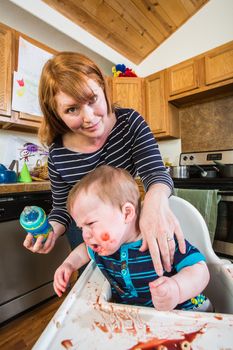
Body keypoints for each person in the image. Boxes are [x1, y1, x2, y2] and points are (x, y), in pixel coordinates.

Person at [23, 51, 186, 276]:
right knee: (95, 285)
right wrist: (51, 230)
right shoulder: (58, 155)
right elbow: (62, 209)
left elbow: (155, 173)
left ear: (103, 88)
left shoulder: (129, 123)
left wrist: (154, 203)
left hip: (126, 228)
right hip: (86, 237)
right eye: (72, 109)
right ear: (56, 114)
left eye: (92, 99)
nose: (89, 117)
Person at [54, 165, 212, 312]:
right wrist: (68, 264)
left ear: (127, 213)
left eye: (90, 223)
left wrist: (177, 288)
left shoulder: (160, 239)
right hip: (139, 319)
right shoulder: (104, 247)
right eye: (81, 227)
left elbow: (200, 271)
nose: (85, 235)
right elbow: (83, 251)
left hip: (188, 313)